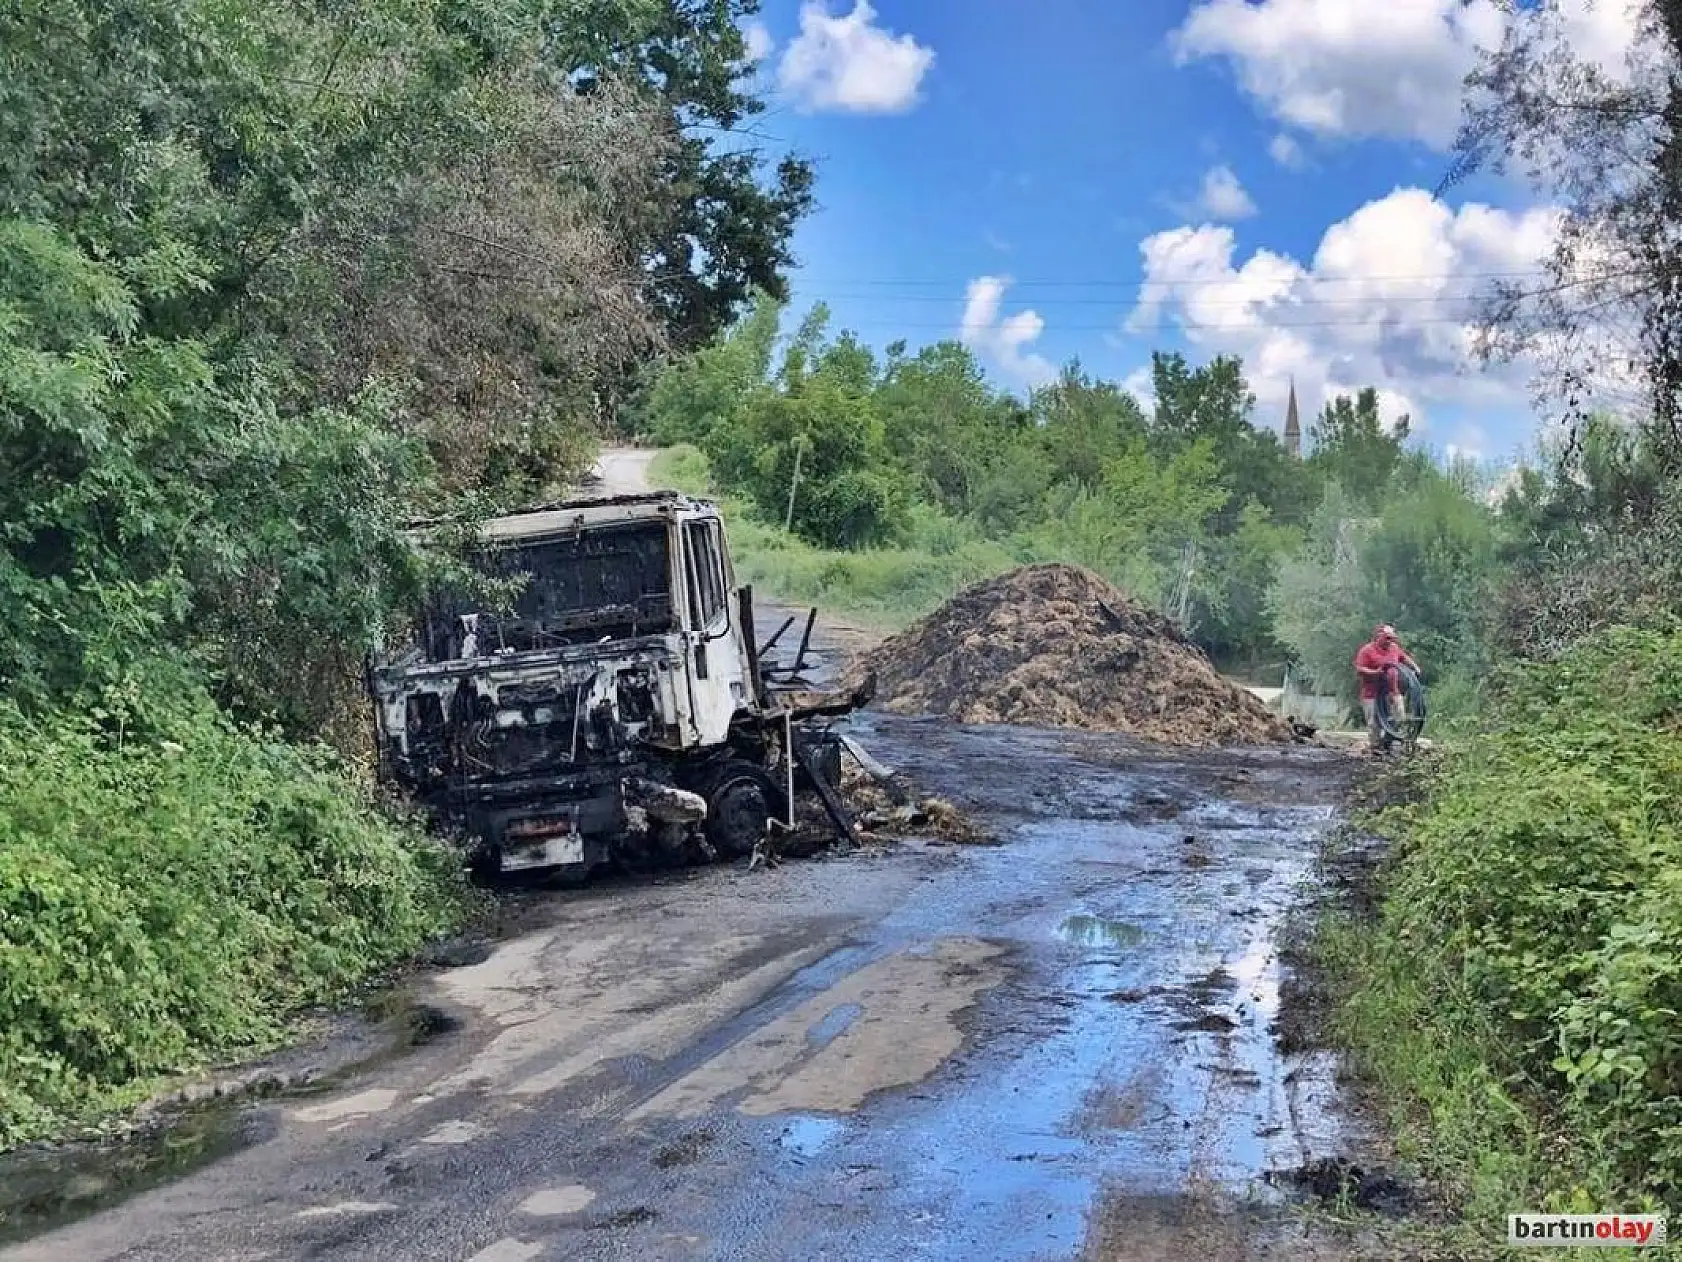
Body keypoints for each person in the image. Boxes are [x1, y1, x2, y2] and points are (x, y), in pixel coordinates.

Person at [1354, 624, 1418, 754]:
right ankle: (1375, 748)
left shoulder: (1394, 648)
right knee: (1374, 723)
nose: (1390, 641)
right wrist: (1375, 672)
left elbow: (1404, 658)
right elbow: (1360, 669)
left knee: (1399, 716)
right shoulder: (1367, 650)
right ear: (1378, 637)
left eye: (1392, 638)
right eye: (1387, 638)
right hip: (1371, 693)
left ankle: (1392, 741)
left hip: (1392, 691)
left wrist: (1415, 667)